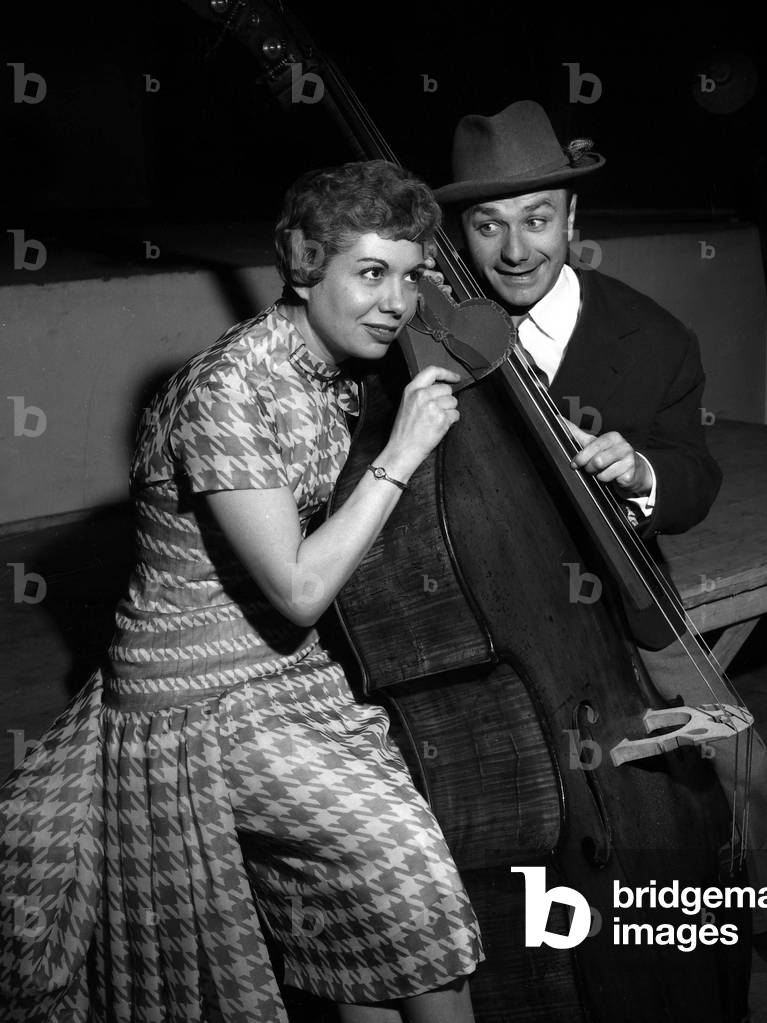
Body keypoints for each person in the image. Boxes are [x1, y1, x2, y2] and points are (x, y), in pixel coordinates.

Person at [0, 161, 483, 1022]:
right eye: (370, 273)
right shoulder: (224, 389)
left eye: (410, 277)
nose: (396, 302)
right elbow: (298, 588)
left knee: (368, 927)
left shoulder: (339, 365)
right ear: (302, 264)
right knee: (403, 863)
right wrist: (399, 453)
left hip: (292, 674)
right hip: (195, 698)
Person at [433, 101, 767, 970]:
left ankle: (748, 910)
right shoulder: (433, 334)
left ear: (575, 218)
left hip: (617, 588)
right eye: (488, 225)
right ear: (461, 230)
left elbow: (694, 480)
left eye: (537, 219)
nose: (515, 249)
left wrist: (640, 469)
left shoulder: (653, 337)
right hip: (480, 598)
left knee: (738, 759)